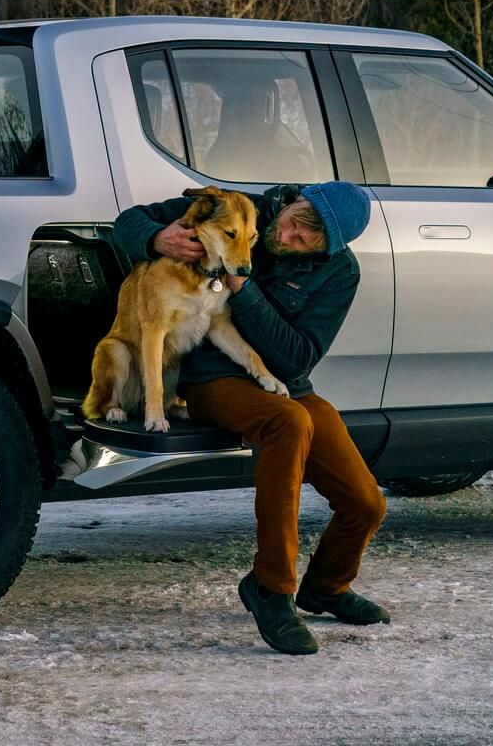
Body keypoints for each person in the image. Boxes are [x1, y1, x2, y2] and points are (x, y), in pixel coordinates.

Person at [111, 181, 389, 655]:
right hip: (208, 376)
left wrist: (243, 286)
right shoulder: (240, 209)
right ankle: (271, 587)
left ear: (332, 248)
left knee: (366, 503)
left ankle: (326, 587)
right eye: (298, 221)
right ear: (298, 199)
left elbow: (295, 358)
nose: (294, 236)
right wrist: (157, 238)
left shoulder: (338, 271)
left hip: (281, 381)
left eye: (312, 238)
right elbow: (128, 221)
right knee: (288, 423)